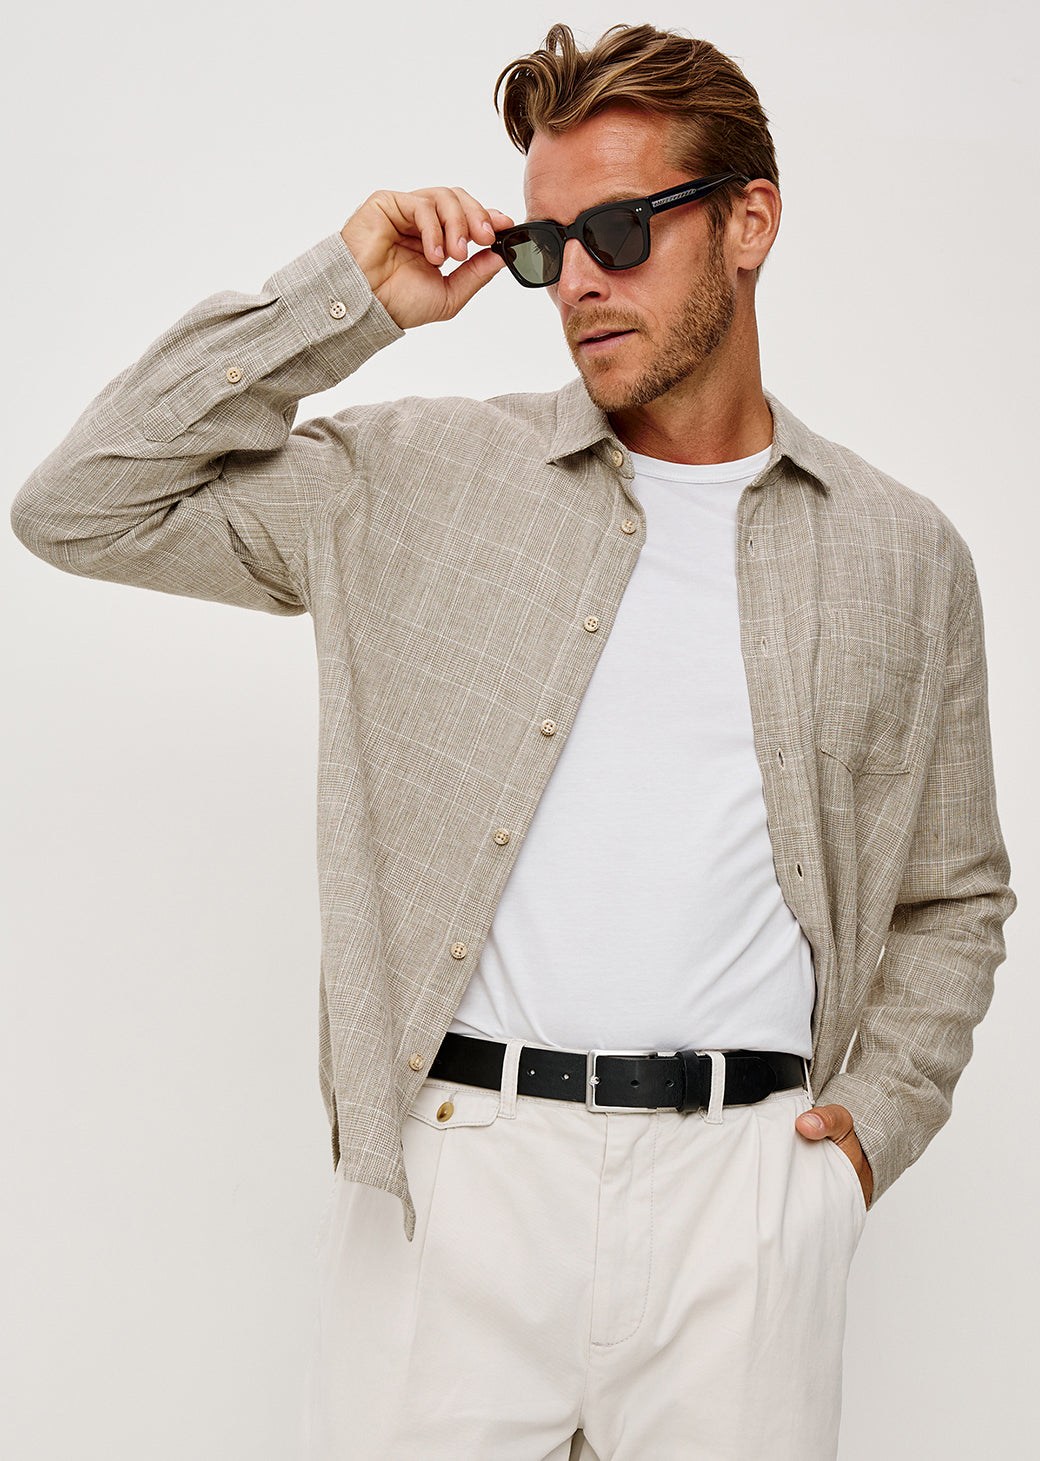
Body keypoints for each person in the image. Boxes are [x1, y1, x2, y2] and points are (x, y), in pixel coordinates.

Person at [10, 20, 1013, 1461]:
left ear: (750, 221)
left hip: (747, 1195)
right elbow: (81, 502)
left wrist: (861, 1140)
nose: (581, 280)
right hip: (454, 1184)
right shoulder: (417, 478)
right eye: (547, 246)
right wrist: (344, 298)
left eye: (618, 227)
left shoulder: (903, 554)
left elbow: (954, 891)